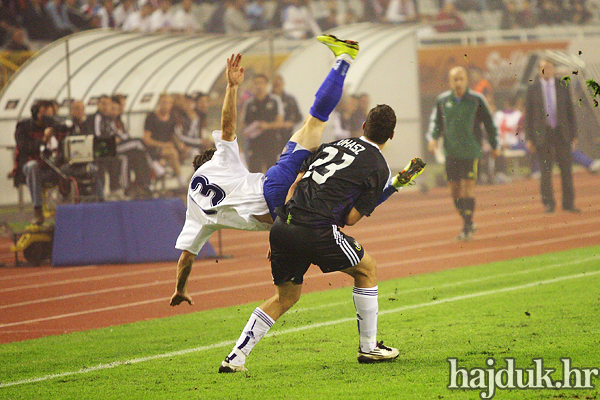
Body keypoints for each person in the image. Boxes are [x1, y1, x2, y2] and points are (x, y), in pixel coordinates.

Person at [219, 105, 426, 372]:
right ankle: (369, 347)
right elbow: (351, 219)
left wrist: (282, 227)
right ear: (392, 135)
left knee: (285, 297)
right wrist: (391, 188)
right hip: (317, 230)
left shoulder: (335, 144)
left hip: (284, 224)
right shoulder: (378, 166)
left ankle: (235, 357)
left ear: (363, 126)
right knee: (367, 269)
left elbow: (295, 185)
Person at [170, 35, 365, 307]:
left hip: (277, 208)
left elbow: (185, 259)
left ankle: (356, 176)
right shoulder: (218, 161)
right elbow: (227, 128)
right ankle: (344, 60)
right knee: (314, 123)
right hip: (274, 186)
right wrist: (231, 87)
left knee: (297, 281)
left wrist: (180, 288)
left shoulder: (193, 212)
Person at [426, 66, 500, 240]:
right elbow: (435, 122)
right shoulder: (442, 100)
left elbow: (489, 124)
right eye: (454, 79)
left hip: (471, 150)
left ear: (466, 80)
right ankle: (468, 221)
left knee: (468, 188)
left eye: (461, 79)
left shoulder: (476, 99)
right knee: (455, 191)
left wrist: (495, 145)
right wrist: (433, 138)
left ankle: (467, 226)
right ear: (450, 81)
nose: (458, 82)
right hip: (451, 151)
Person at [524, 58, 579, 213]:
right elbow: (529, 115)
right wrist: (529, 138)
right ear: (537, 70)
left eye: (548, 67)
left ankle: (569, 203)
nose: (546, 70)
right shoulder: (532, 89)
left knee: (566, 170)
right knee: (546, 171)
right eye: (542, 67)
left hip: (561, 133)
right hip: (543, 134)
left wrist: (574, 133)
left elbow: (570, 112)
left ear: (553, 69)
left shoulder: (563, 86)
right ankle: (549, 203)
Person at [13, 100, 61, 225]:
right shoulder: (24, 127)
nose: (48, 118)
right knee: (32, 166)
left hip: (53, 167)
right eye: (44, 114)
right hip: (31, 169)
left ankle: (73, 205)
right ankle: (37, 209)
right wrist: (44, 139)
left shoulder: (56, 126)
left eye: (51, 114)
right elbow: (25, 148)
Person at [240, 73, 285, 173]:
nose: (259, 86)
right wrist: (250, 129)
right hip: (254, 144)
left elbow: (280, 122)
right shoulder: (249, 103)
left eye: (261, 83)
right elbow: (242, 123)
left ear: (266, 84)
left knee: (272, 171)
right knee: (255, 171)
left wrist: (266, 126)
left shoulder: (274, 100)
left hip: (271, 142)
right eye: (256, 83)